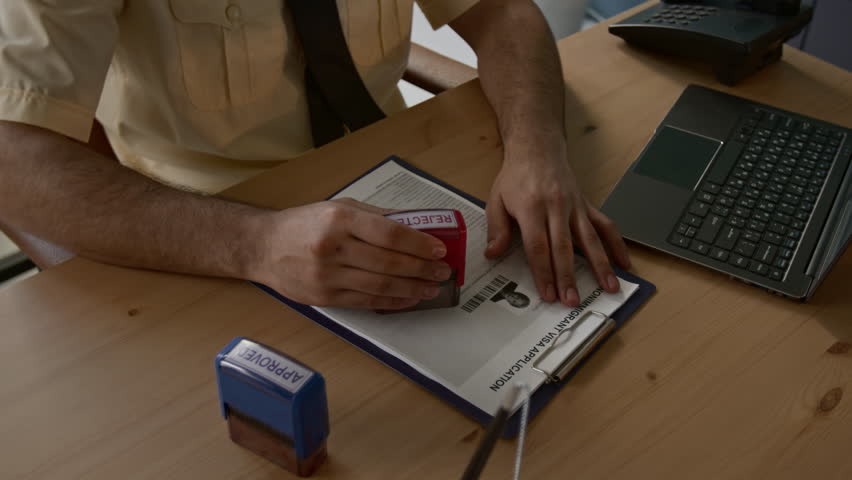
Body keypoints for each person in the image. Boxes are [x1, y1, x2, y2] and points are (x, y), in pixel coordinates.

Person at [0, 0, 630, 311]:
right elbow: (13, 156)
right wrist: (255, 244)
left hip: (401, 170)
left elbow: (502, 14)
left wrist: (537, 149)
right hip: (207, 230)